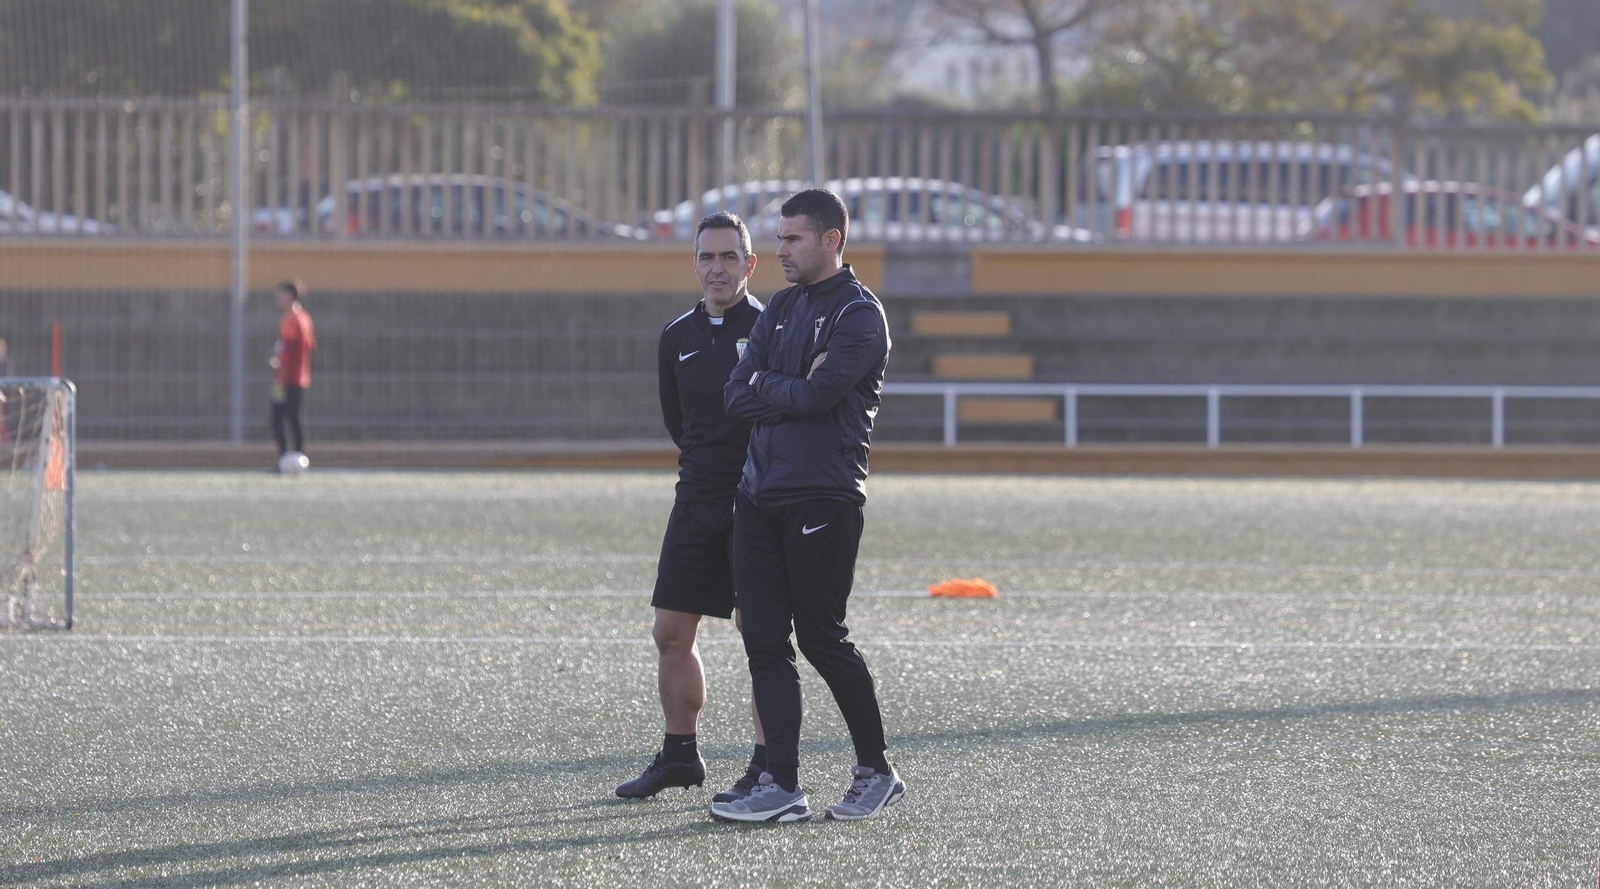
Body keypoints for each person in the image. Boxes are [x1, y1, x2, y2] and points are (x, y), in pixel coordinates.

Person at [712, 188, 903, 824]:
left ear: (831, 240)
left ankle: (876, 770)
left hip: (824, 495)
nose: (782, 250)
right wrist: (784, 384)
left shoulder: (859, 315)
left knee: (821, 637)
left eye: (793, 239)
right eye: (780, 238)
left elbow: (820, 398)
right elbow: (735, 394)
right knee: (764, 639)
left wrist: (770, 382)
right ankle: (782, 785)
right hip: (757, 495)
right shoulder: (782, 307)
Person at [616, 212, 769, 803]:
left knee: (760, 637)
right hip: (695, 500)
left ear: (750, 264)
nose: (717, 268)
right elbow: (679, 423)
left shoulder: (771, 329)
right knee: (671, 631)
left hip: (756, 501)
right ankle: (680, 755)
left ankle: (768, 767)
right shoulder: (676, 336)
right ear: (695, 264)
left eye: (729, 257)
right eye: (707, 257)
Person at [269, 279, 316, 464]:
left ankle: (288, 458)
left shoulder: (292, 319)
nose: (277, 297)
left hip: (287, 378)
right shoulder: (303, 317)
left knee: (280, 418)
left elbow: (291, 348)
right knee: (291, 417)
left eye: (281, 293)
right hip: (294, 377)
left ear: (289, 295)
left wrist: (281, 368)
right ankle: (296, 456)